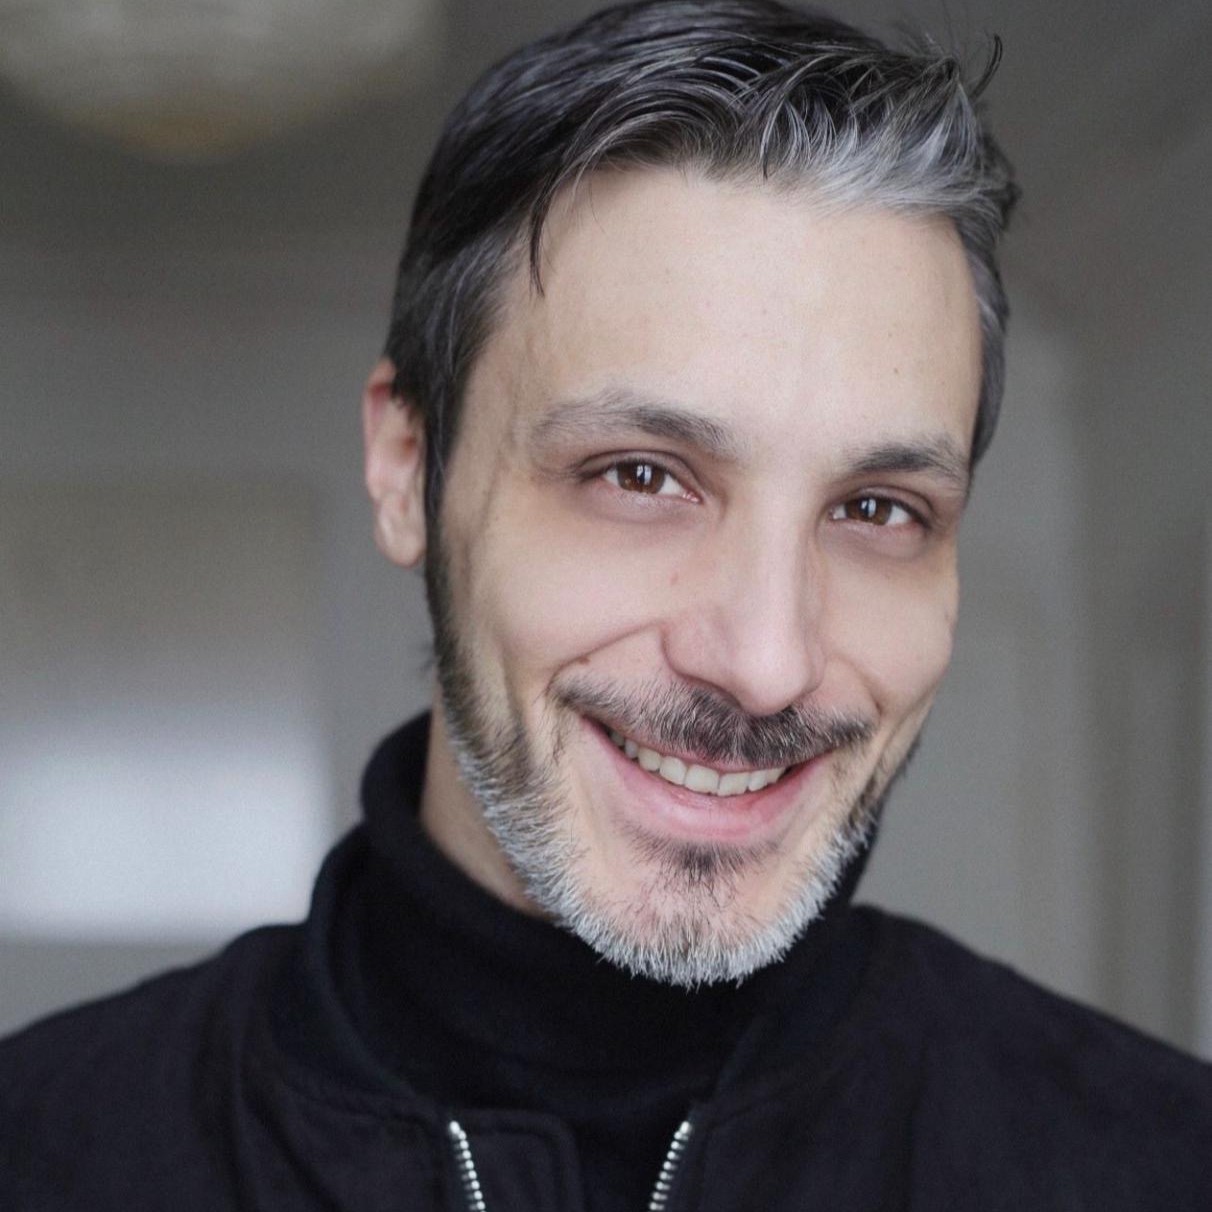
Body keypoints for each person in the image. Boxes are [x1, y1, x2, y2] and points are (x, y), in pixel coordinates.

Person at [2, 1, 1209, 1207]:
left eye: (877, 508)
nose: (767, 662)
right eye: (640, 477)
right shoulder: (48, 1150)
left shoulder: (1157, 1163)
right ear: (407, 469)